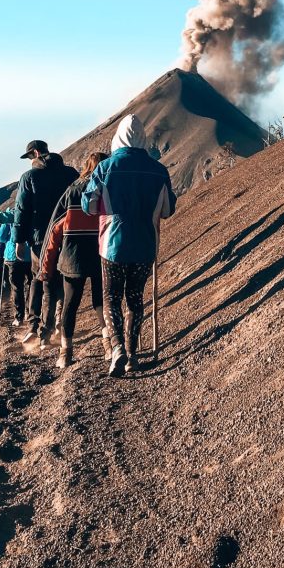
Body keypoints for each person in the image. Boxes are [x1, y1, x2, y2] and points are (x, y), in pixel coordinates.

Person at [82, 114, 176, 377]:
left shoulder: (105, 168)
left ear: (118, 138)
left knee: (111, 297)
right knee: (134, 299)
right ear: (142, 139)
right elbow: (168, 210)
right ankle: (133, 354)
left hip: (112, 245)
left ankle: (117, 349)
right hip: (145, 245)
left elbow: (88, 206)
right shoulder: (159, 170)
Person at [40, 151, 110, 369]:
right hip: (102, 255)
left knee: (71, 305)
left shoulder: (72, 192)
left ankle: (65, 352)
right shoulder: (109, 190)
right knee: (102, 303)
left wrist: (46, 266)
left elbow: (54, 230)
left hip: (73, 257)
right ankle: (108, 346)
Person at [12, 140, 78, 345]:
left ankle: (37, 328)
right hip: (69, 235)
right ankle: (59, 322)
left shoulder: (29, 177)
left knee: (39, 279)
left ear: (36, 153)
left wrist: (19, 240)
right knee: (64, 279)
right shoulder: (71, 174)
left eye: (30, 157)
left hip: (41, 238)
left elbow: (21, 211)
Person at [0, 201, 32, 326]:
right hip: (32, 255)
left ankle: (19, 317)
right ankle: (29, 312)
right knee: (32, 285)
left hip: (13, 256)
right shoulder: (36, 210)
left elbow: (2, 237)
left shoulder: (11, 214)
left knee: (17, 287)